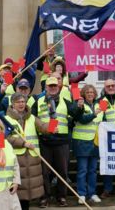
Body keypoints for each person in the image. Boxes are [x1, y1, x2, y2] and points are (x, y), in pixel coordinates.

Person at [36, 76, 79, 208]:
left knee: (62, 172)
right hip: (45, 142)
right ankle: (45, 197)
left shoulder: (65, 102)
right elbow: (33, 119)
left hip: (61, 142)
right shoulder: (38, 101)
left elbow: (76, 115)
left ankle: (61, 197)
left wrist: (80, 106)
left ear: (59, 87)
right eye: (50, 86)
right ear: (46, 87)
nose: (53, 88)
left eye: (55, 85)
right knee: (45, 173)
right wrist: (46, 129)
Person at [5, 93, 45, 210]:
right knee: (16, 190)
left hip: (31, 158)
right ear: (12, 104)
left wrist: (53, 126)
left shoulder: (31, 117)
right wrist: (22, 143)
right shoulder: (6, 119)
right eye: (18, 102)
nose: (21, 104)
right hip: (15, 158)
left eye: (23, 101)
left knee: (27, 193)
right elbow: (2, 138)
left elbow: (43, 126)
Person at [72, 84, 103, 204]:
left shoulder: (99, 105)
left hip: (95, 142)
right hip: (82, 142)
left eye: (92, 92)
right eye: (88, 92)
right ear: (83, 94)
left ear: (95, 94)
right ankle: (81, 194)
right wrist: (94, 114)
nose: (90, 94)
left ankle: (92, 193)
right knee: (82, 170)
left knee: (92, 170)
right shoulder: (79, 105)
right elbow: (82, 120)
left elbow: (102, 122)